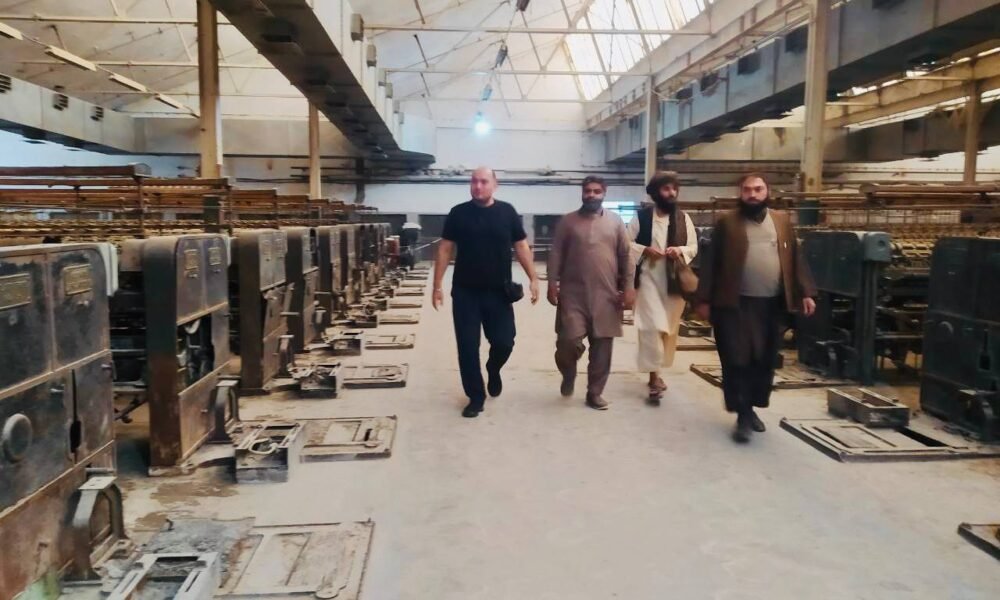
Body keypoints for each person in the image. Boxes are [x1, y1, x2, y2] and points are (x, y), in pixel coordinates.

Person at [693, 173, 817, 443]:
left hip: (771, 304)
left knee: (764, 359)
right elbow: (711, 262)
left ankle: (750, 407)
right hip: (735, 304)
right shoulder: (727, 223)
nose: (752, 194)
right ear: (740, 193)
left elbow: (795, 258)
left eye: (758, 189)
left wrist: (806, 292)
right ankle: (742, 414)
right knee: (737, 358)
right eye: (747, 189)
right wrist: (703, 300)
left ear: (767, 191)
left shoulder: (782, 221)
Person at [433, 167, 540, 418]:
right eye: (474, 182)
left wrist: (534, 278)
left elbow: (521, 246)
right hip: (465, 292)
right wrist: (437, 285)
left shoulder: (507, 212)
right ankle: (475, 397)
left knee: (504, 342)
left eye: (483, 182)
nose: (478, 186)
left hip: (498, 292)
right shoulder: (458, 213)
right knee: (468, 347)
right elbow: (445, 249)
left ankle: (493, 368)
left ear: (495, 185)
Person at [547, 176, 635, 410]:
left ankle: (594, 393)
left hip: (606, 295)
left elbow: (626, 256)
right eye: (588, 191)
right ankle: (568, 373)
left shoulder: (616, 222)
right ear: (582, 193)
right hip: (572, 295)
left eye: (597, 191)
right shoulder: (568, 222)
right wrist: (552, 282)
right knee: (568, 342)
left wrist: (629, 287)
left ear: (604, 193)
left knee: (603, 348)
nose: (592, 195)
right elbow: (556, 253)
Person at [627, 171, 699, 405]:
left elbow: (693, 247)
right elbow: (626, 243)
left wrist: (679, 250)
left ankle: (656, 371)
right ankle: (654, 378)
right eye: (666, 189)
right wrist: (645, 250)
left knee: (667, 330)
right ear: (656, 192)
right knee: (651, 327)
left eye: (674, 189)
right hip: (648, 280)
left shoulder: (683, 218)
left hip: (674, 283)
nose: (671, 193)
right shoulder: (641, 217)